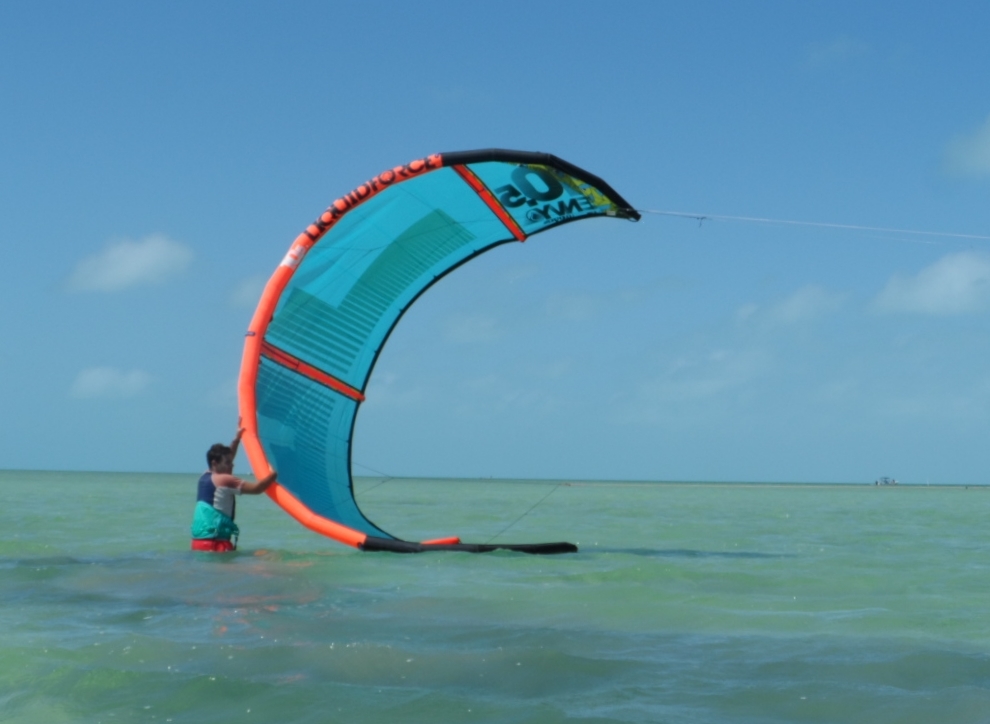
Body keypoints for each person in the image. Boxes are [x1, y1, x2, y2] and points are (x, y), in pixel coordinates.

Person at [190, 428, 276, 552]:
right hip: (217, 546)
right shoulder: (225, 480)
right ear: (215, 463)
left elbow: (228, 458)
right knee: (264, 558)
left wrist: (237, 439)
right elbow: (258, 489)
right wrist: (275, 473)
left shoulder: (203, 477)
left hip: (198, 544)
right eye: (228, 463)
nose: (232, 465)